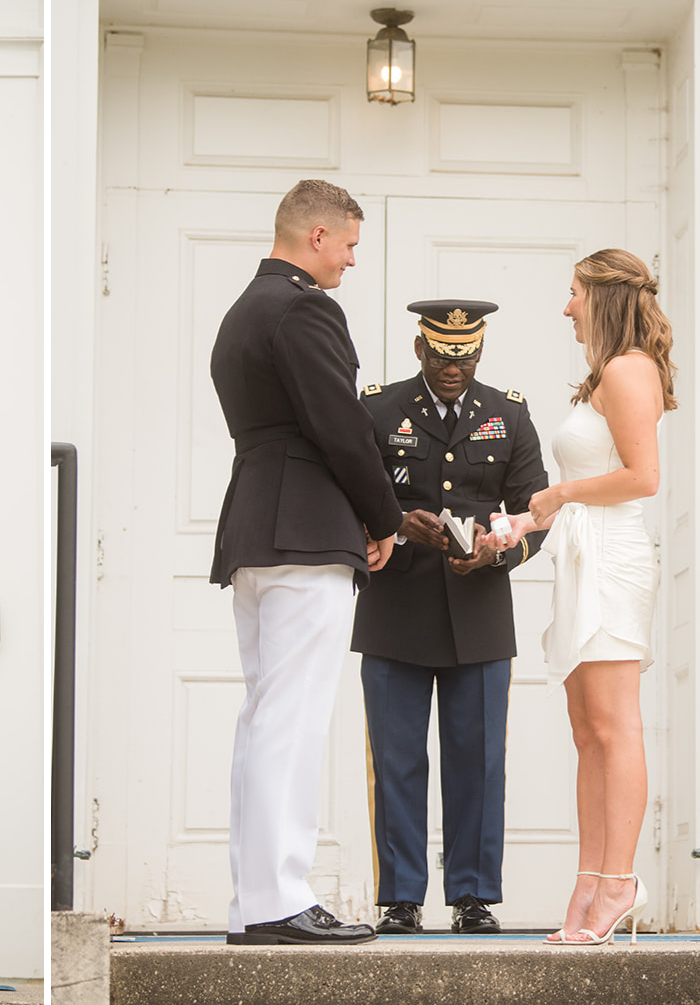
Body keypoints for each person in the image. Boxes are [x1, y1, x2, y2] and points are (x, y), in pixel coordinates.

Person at [209, 179, 403, 946]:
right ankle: (279, 899)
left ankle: (255, 900)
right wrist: (384, 517)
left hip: (257, 527)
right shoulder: (303, 307)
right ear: (316, 235)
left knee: (264, 717)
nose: (353, 260)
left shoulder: (242, 311)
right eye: (350, 244)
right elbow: (343, 426)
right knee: (290, 719)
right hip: (307, 530)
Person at [488, 249, 675, 945]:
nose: (565, 307)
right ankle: (590, 882)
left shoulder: (629, 369)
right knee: (587, 731)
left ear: (603, 296)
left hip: (614, 559)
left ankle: (618, 882)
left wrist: (559, 494)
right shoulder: (607, 372)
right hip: (581, 553)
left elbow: (642, 476)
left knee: (615, 725)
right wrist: (521, 523)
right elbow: (584, 485)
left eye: (572, 293)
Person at [350, 300, 548, 936]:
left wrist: (498, 552)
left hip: (480, 607)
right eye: (441, 355)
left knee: (479, 758)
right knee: (398, 757)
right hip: (395, 607)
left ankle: (472, 896)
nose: (453, 368)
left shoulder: (509, 414)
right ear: (419, 350)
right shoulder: (378, 409)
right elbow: (348, 490)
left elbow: (533, 511)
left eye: (464, 356)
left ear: (480, 352)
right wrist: (390, 522)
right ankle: (402, 899)